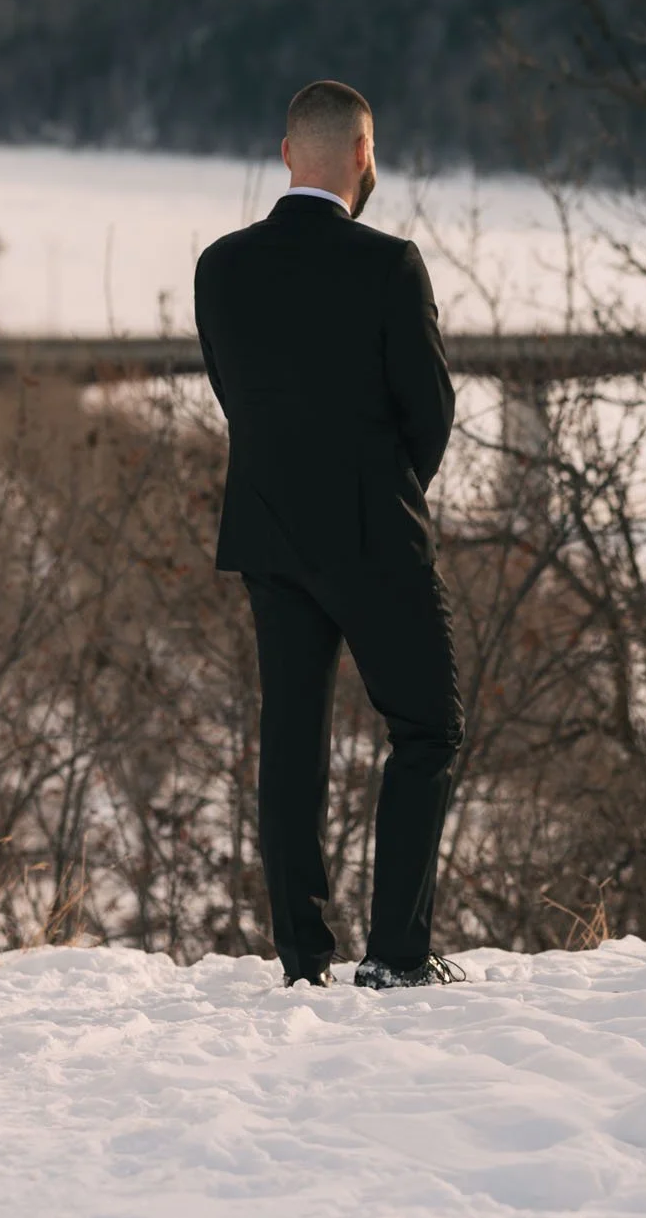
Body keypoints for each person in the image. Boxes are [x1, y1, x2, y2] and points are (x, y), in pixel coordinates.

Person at [192, 80, 464, 990]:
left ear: (285, 155)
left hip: (269, 532)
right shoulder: (391, 265)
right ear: (361, 154)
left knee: (293, 747)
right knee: (428, 726)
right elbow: (431, 411)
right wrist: (388, 491)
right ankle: (396, 953)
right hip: (373, 533)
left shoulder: (220, 266)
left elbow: (236, 396)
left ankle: (305, 958)